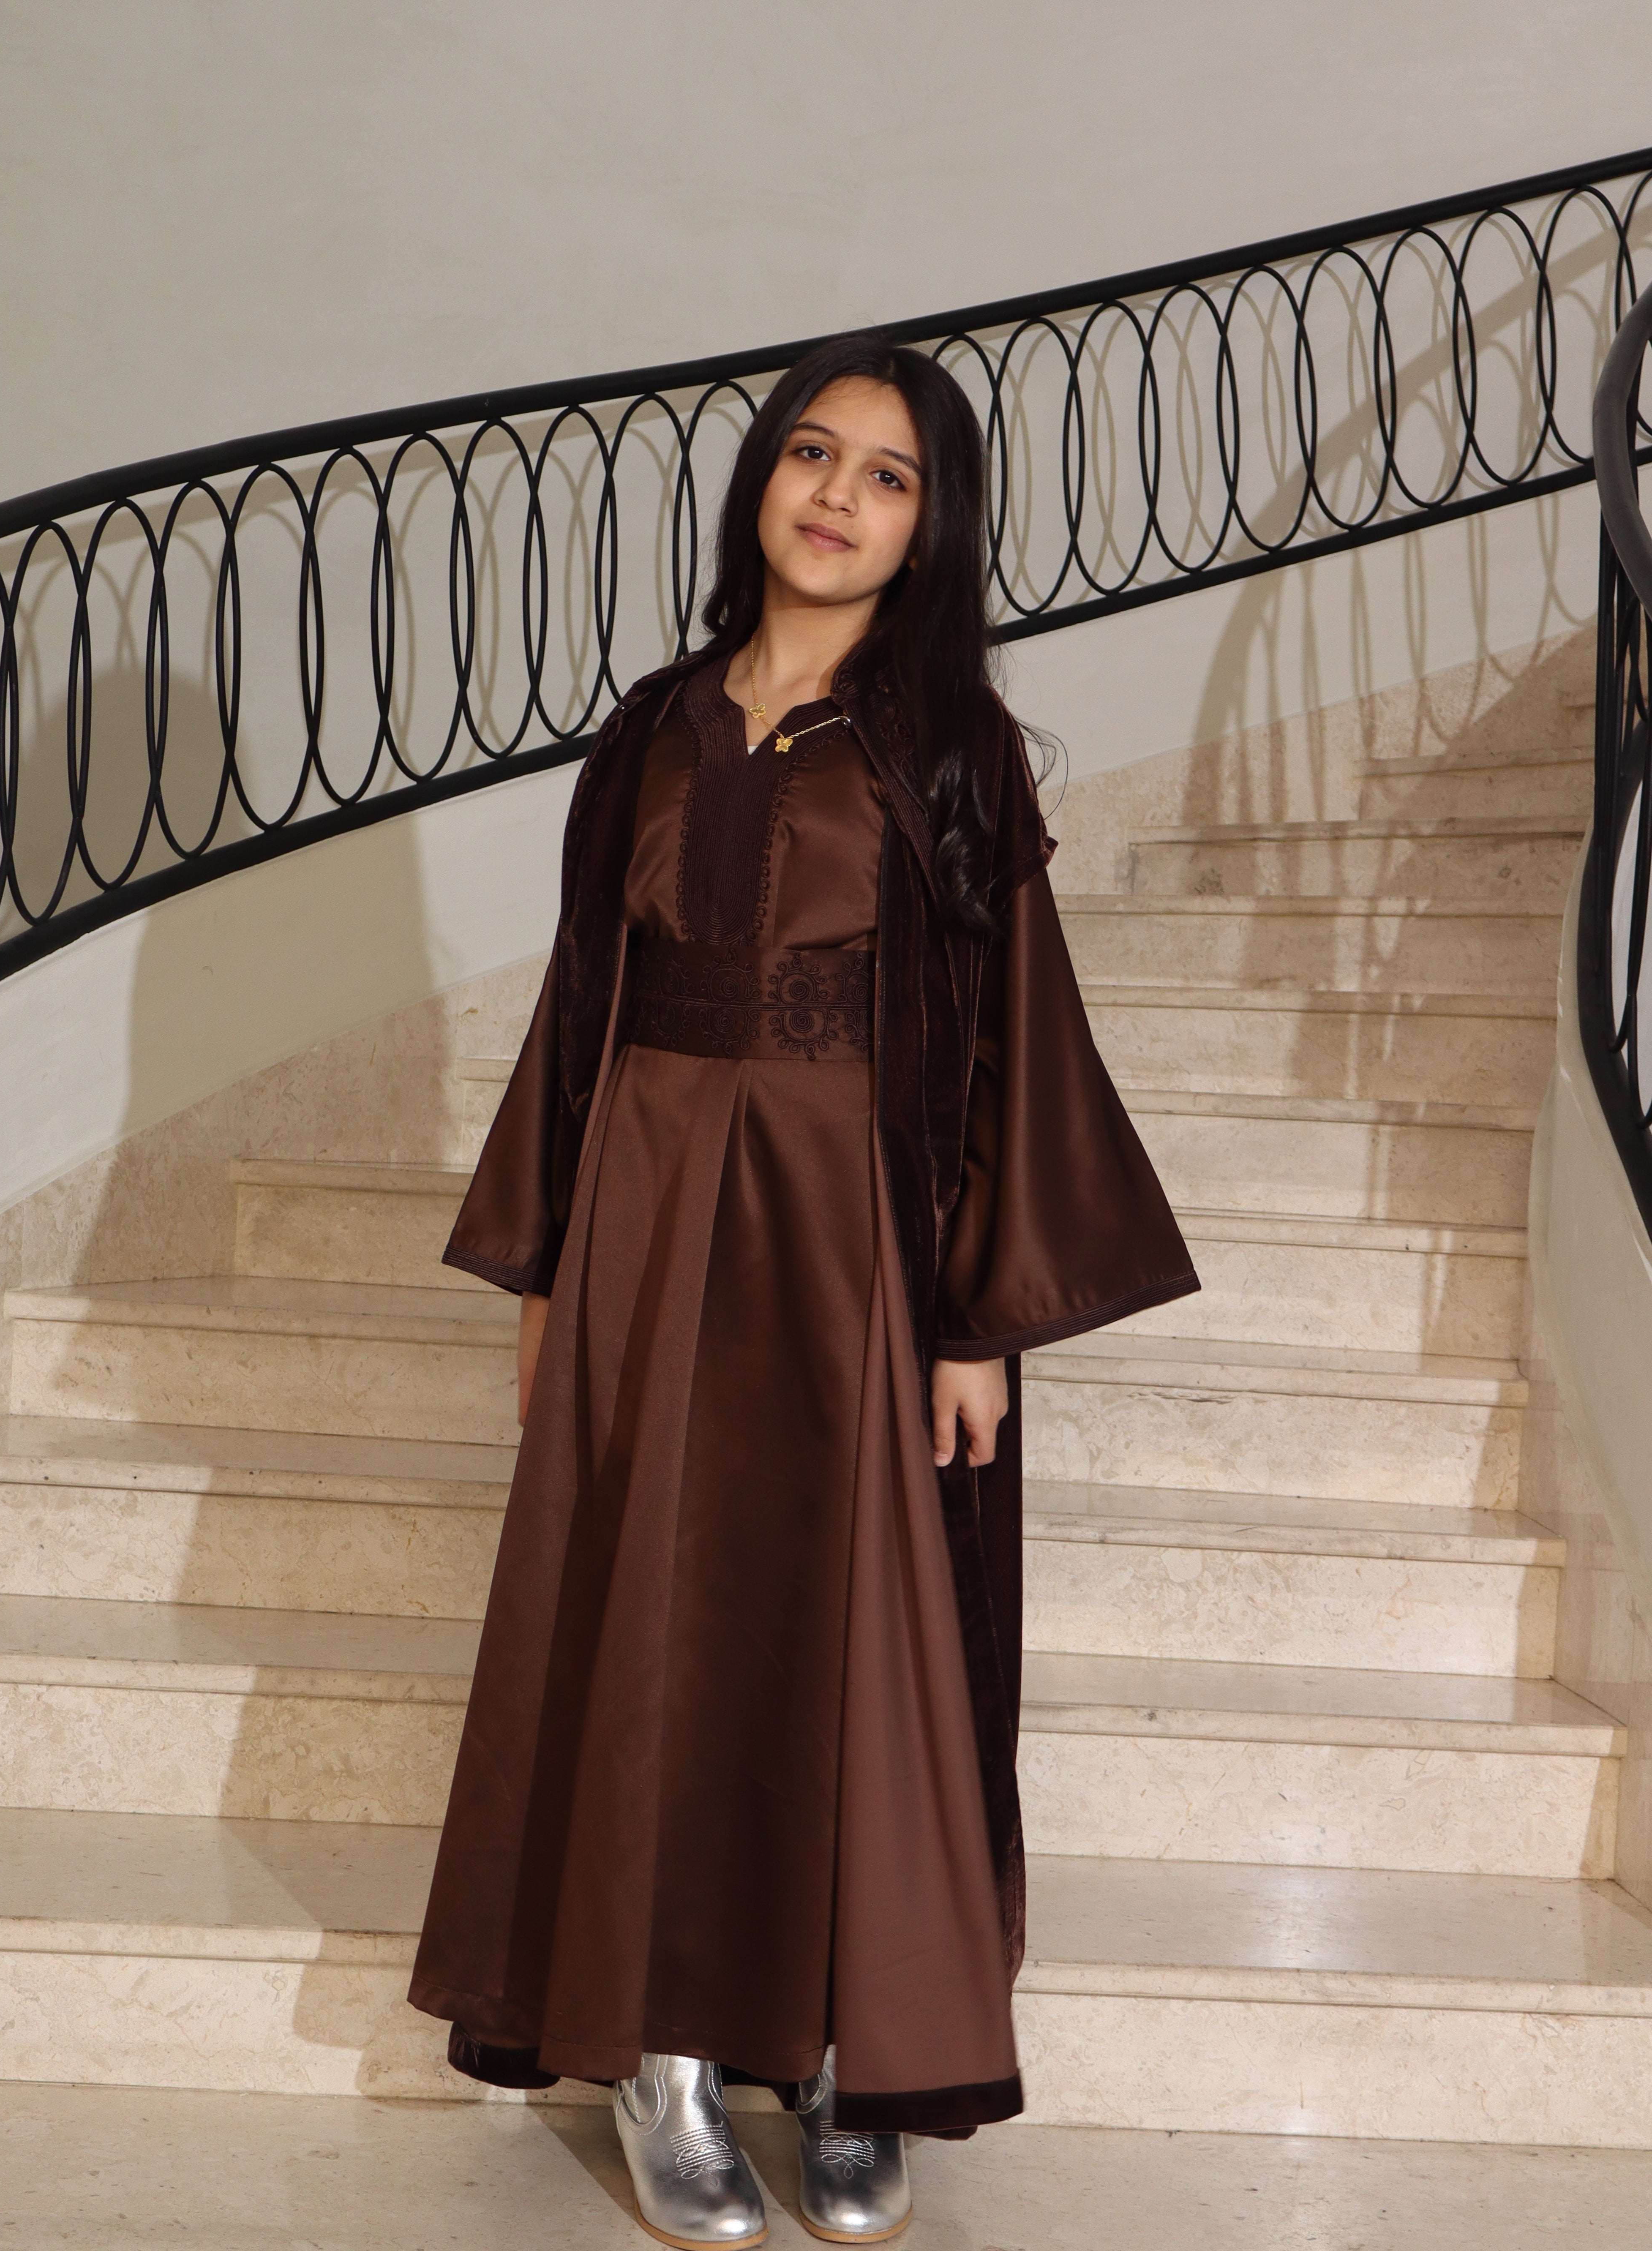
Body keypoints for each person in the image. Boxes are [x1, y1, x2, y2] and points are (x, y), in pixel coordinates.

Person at [408, 333, 1197, 2248]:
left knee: (860, 1643)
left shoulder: (950, 751)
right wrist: (547, 1270)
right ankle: (662, 2052)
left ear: (932, 530)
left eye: (889, 475)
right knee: (654, 1626)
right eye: (811, 454)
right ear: (760, 480)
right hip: (651, 1227)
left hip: (861, 1246)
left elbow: (1013, 1029)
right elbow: (582, 1010)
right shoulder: (653, 730)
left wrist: (977, 1317)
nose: (838, 495)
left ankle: (858, 2055)